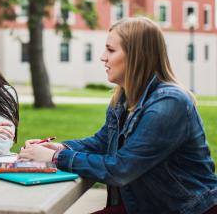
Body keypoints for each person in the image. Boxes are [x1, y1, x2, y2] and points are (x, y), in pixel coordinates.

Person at [19, 17, 217, 214]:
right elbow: (102, 142)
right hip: (144, 206)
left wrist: (56, 157)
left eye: (111, 50)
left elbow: (121, 169)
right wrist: (61, 147)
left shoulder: (169, 103)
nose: (103, 57)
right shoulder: (124, 98)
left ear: (137, 56)